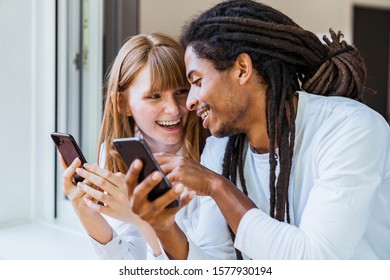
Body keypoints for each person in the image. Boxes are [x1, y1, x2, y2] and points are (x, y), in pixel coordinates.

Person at [126, 0, 390, 259]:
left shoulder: (349, 128)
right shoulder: (221, 149)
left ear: (242, 69)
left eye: (197, 81)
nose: (191, 100)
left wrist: (218, 187)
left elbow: (317, 260)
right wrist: (163, 226)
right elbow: (214, 265)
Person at [61, 33, 230, 260]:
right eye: (154, 96)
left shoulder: (215, 154)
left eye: (181, 92)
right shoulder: (114, 154)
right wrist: (85, 212)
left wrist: (145, 219)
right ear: (122, 103)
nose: (173, 109)